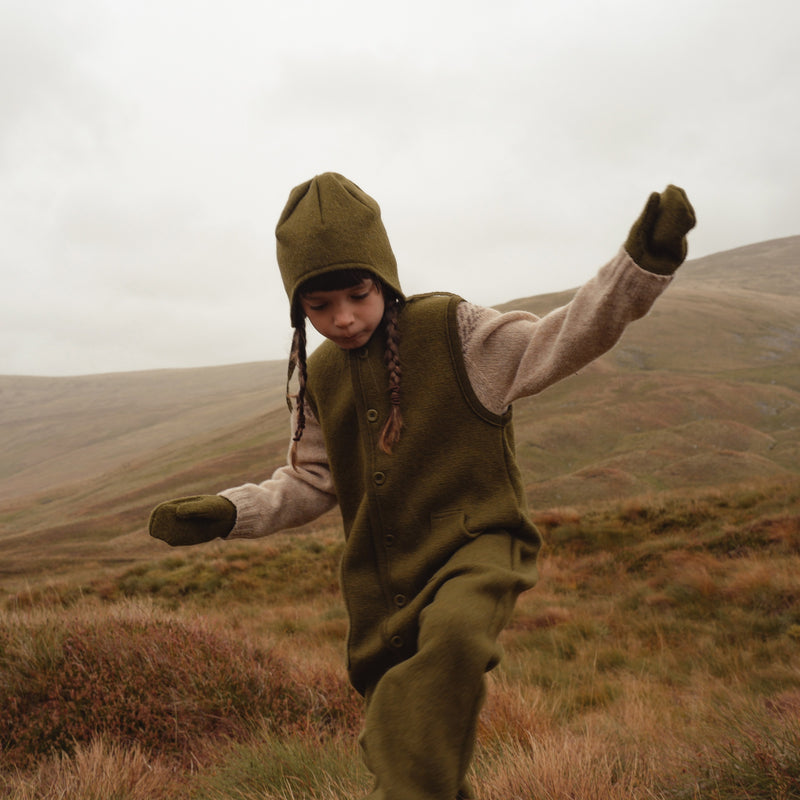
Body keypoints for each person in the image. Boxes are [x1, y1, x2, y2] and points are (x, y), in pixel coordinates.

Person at [149, 172, 696, 800]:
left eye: (357, 294)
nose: (344, 318)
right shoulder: (317, 375)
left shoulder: (453, 332)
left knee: (454, 642)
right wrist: (228, 512)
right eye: (319, 306)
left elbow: (561, 339)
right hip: (380, 590)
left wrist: (637, 270)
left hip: (476, 553)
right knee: (406, 742)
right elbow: (311, 479)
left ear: (384, 278)